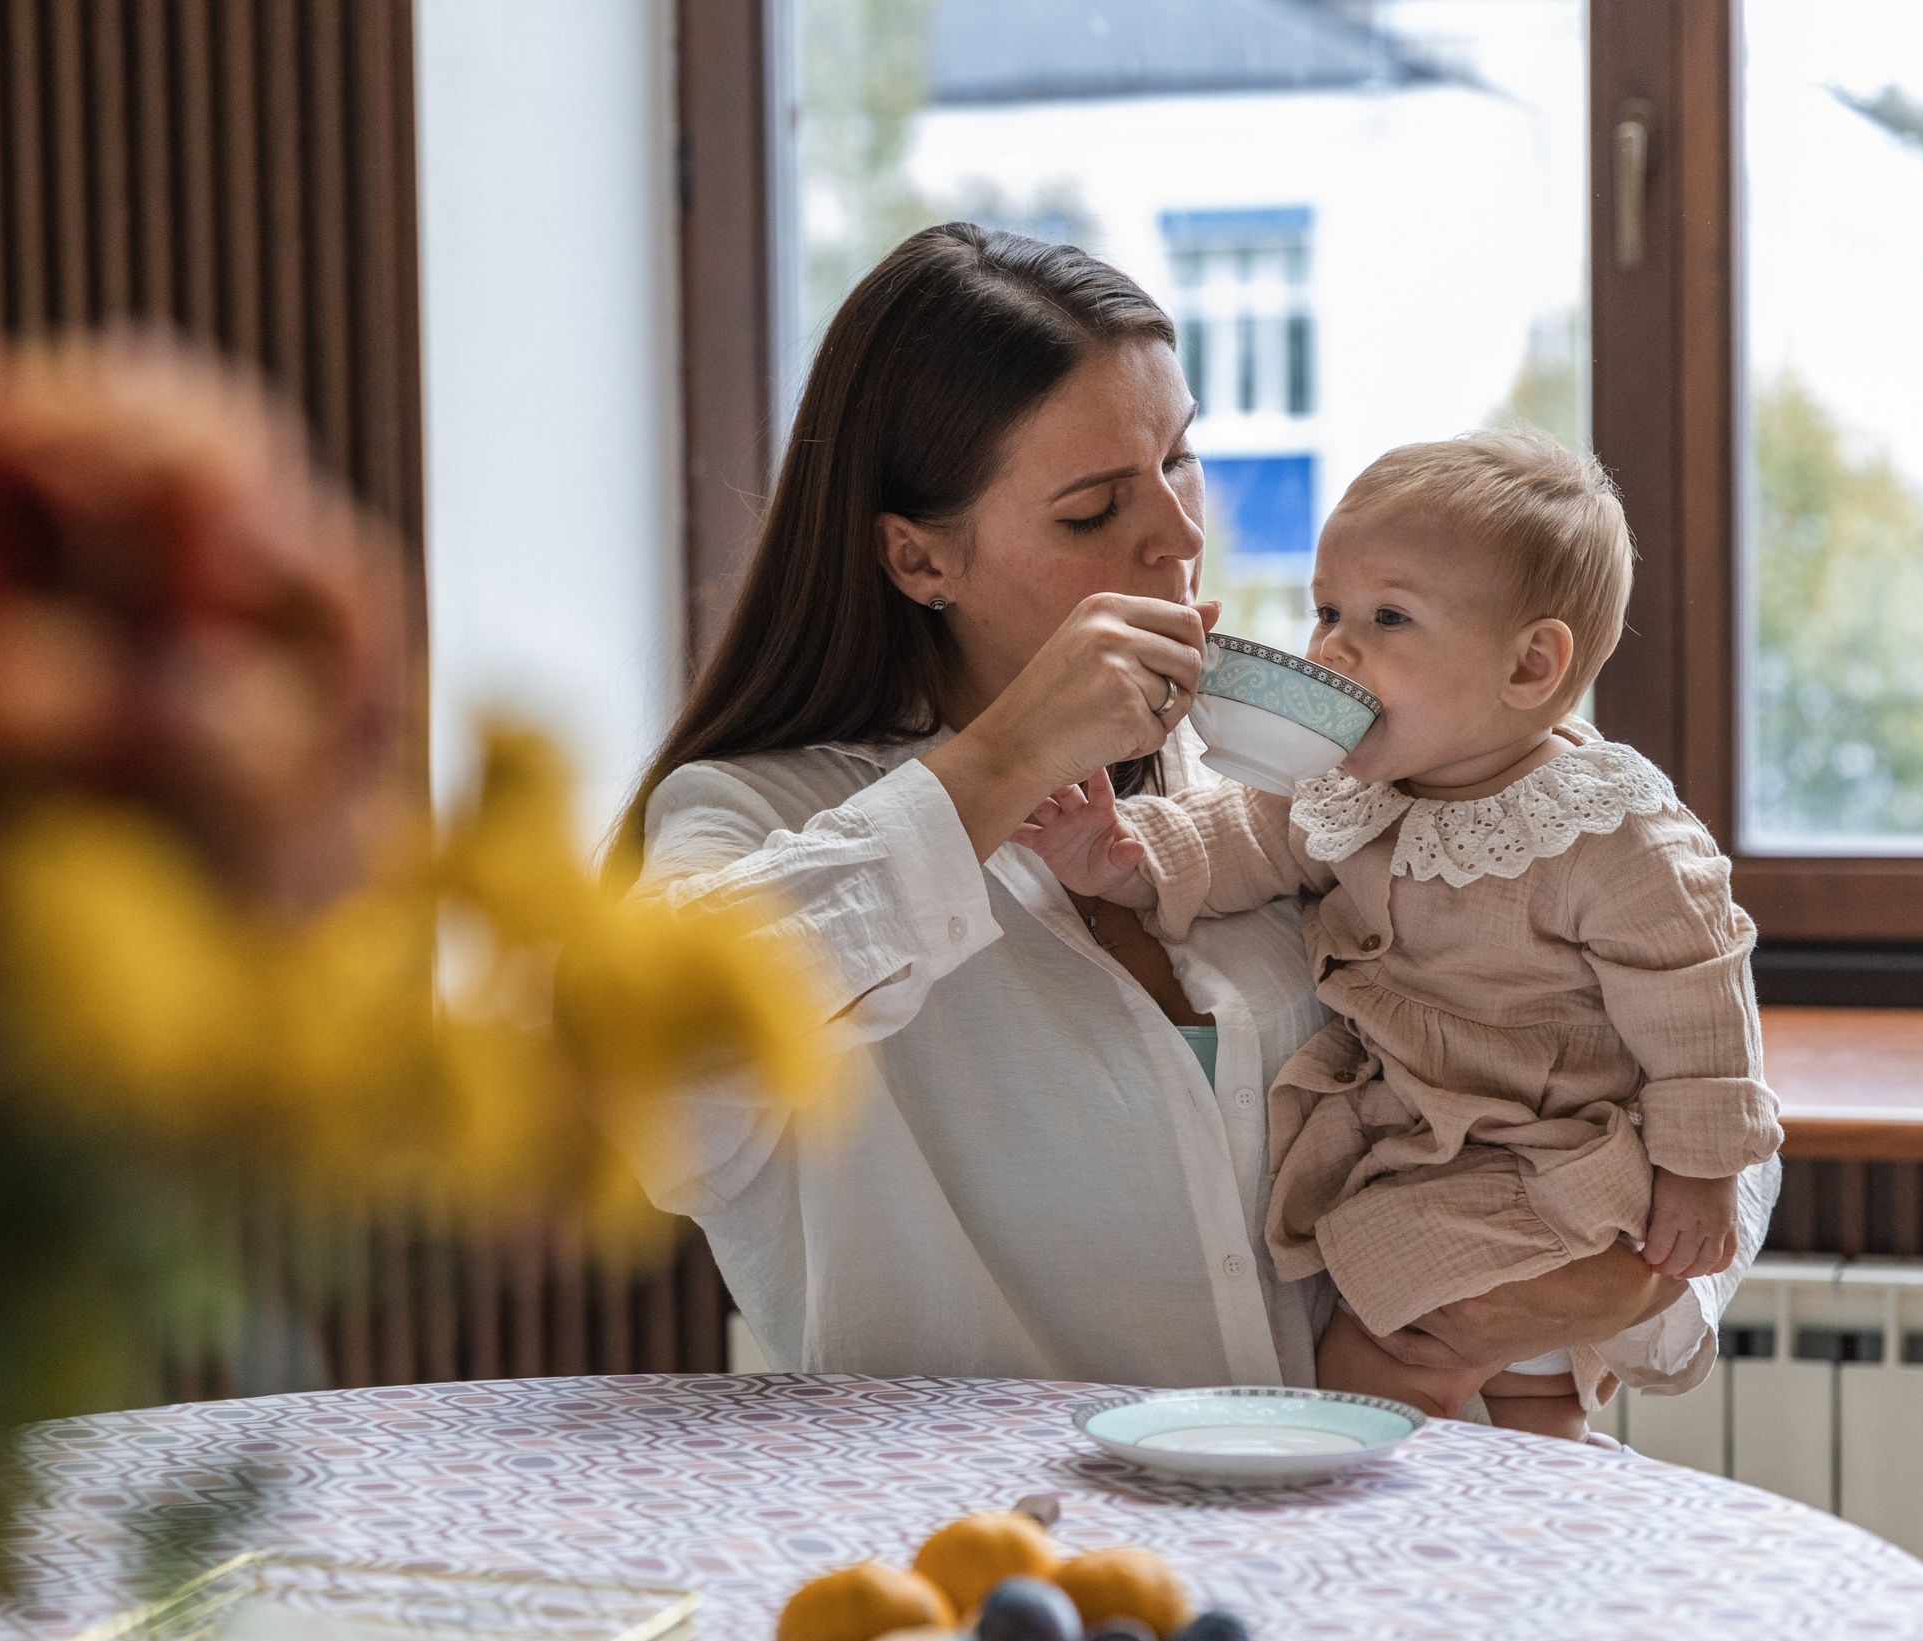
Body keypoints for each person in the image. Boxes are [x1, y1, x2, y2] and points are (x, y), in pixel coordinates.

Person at [617, 222, 1774, 1405]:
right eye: (1090, 510)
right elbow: (645, 1072)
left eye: (1179, 461)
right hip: (1010, 1555)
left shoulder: (1284, 775)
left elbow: (1658, 1041)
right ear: (919, 561)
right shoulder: (758, 813)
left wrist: (1624, 1285)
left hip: (1377, 1527)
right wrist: (1004, 759)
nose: (1175, 535)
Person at [1018, 431, 1782, 1438]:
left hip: (1551, 1164)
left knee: (1392, 1381)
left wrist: (1699, 1171)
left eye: (1386, 618)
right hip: (1422, 1150)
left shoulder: (1605, 826)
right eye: (1325, 609)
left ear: (1529, 664)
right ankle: (1490, 1541)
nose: (1331, 647)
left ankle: (1456, 1535)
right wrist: (1128, 859)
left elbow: (1698, 1003)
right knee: (1484, 1396)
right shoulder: (1352, 785)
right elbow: (1244, 832)